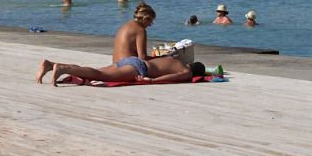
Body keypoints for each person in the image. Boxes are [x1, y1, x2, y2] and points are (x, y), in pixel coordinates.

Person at [36, 55, 205, 86]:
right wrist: (152, 81)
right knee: (101, 75)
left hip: (132, 60)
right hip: (139, 68)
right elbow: (172, 77)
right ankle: (62, 69)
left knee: (94, 70)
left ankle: (51, 64)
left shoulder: (178, 60)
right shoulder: (187, 72)